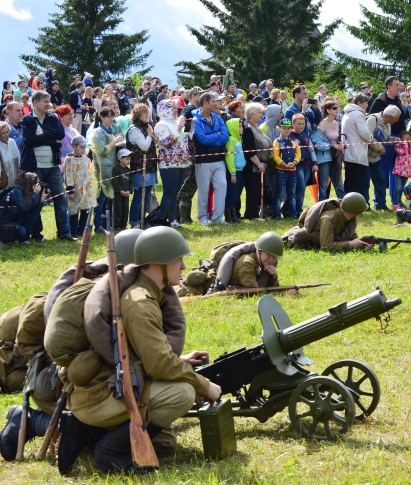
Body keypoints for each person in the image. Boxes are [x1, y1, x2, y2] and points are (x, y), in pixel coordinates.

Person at [57, 226, 221, 474]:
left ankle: (86, 433)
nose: (184, 267)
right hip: (99, 398)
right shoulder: (140, 302)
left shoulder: (146, 294)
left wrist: (181, 360)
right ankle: (110, 450)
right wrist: (203, 384)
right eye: (179, 260)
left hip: (99, 391)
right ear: (158, 264)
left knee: (165, 441)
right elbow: (159, 365)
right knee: (183, 393)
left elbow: (142, 354)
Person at [19, 90, 75, 241]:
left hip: (53, 166)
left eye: (49, 101)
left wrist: (43, 135)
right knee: (36, 200)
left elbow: (60, 134)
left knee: (61, 199)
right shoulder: (27, 120)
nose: (48, 104)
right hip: (35, 167)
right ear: (35, 103)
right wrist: (51, 138)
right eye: (45, 101)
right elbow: (30, 140)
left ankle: (64, 232)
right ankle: (36, 234)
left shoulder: (53, 117)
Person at [282, 192, 373, 251]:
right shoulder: (329, 219)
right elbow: (326, 246)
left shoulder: (349, 218)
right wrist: (351, 244)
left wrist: (362, 244)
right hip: (295, 240)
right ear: (354, 212)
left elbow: (350, 236)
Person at [193, 92, 230, 225]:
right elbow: (202, 139)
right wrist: (216, 135)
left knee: (222, 186)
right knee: (203, 189)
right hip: (203, 161)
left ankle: (217, 218)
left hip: (219, 159)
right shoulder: (196, 119)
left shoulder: (217, 117)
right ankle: (203, 217)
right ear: (205, 103)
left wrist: (212, 138)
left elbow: (225, 136)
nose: (216, 103)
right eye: (213, 101)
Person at [155, 99, 192, 226]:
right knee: (169, 192)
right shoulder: (161, 125)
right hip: (169, 164)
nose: (176, 110)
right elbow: (166, 142)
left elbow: (184, 139)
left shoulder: (176, 123)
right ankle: (163, 220)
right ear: (165, 110)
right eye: (173, 108)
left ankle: (172, 219)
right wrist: (178, 129)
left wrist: (189, 129)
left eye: (176, 108)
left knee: (175, 192)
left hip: (182, 163)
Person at [209, 232, 285, 292]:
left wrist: (274, 276)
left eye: (274, 256)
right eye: (268, 254)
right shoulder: (247, 263)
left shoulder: (265, 263)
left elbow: (269, 288)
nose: (271, 259)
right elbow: (254, 291)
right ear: (259, 251)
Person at [89, 107, 124, 232]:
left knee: (107, 198)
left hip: (111, 168)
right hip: (102, 169)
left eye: (112, 116)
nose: (111, 119)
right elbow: (103, 150)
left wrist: (118, 143)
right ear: (102, 117)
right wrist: (115, 140)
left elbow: (110, 147)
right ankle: (97, 225)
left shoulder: (110, 130)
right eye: (109, 116)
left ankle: (104, 224)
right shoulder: (98, 132)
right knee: (101, 197)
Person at [126, 103, 158, 229]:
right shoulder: (134, 129)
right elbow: (144, 146)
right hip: (139, 168)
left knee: (147, 196)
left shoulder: (146, 127)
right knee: (139, 197)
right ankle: (135, 222)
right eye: (143, 112)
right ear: (137, 115)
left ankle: (142, 220)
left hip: (149, 167)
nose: (147, 114)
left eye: (147, 112)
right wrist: (150, 135)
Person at [0, 172, 49, 247]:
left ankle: (24, 240)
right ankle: (3, 239)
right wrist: (35, 194)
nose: (38, 186)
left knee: (33, 214)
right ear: (31, 183)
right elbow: (25, 206)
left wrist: (42, 199)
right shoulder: (17, 191)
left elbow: (35, 212)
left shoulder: (28, 193)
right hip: (5, 222)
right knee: (22, 231)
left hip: (15, 220)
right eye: (37, 183)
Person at [365, 105, 400, 210]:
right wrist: (379, 148)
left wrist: (393, 139)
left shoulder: (388, 124)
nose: (397, 121)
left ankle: (381, 205)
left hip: (376, 158)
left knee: (381, 180)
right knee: (365, 183)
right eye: (396, 118)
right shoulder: (372, 119)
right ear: (390, 117)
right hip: (365, 157)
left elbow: (385, 138)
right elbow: (368, 137)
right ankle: (365, 206)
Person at [342, 94, 373, 205]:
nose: (367, 105)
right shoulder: (358, 114)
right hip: (357, 153)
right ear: (359, 103)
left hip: (349, 151)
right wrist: (371, 137)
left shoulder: (348, 113)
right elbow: (364, 132)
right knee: (358, 181)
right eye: (366, 103)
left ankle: (350, 203)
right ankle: (354, 204)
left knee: (350, 180)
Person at [64, 135, 97, 237]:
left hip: (86, 189)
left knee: (86, 209)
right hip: (75, 189)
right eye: (81, 147)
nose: (83, 150)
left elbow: (90, 173)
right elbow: (68, 174)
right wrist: (70, 190)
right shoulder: (70, 160)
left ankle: (82, 230)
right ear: (74, 146)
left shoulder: (86, 160)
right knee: (73, 210)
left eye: (84, 148)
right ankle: (73, 231)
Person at [240, 102, 269, 219]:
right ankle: (251, 214)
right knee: (253, 190)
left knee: (258, 190)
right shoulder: (247, 128)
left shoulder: (256, 126)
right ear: (252, 114)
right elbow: (249, 149)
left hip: (262, 163)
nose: (262, 115)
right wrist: (258, 164)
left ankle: (255, 212)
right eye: (260, 113)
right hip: (253, 165)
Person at [317, 101, 345, 201]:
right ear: (328, 110)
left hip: (335, 157)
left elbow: (336, 139)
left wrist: (340, 144)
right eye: (334, 108)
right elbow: (318, 142)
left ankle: (344, 208)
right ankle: (321, 208)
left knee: (339, 184)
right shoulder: (322, 124)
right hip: (324, 158)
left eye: (338, 108)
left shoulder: (337, 124)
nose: (337, 109)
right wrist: (333, 146)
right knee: (323, 186)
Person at [272, 118, 300, 219]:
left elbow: (298, 154)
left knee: (291, 194)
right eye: (284, 128)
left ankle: (292, 214)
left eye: (288, 128)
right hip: (281, 171)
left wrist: (295, 162)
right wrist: (284, 164)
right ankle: (276, 215)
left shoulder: (293, 141)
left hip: (293, 171)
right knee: (279, 194)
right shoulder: (277, 141)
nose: (286, 130)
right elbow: (275, 155)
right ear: (279, 129)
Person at [290, 113, 318, 217]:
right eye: (299, 124)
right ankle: (288, 207)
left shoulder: (306, 136)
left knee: (303, 189)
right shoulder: (290, 136)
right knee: (300, 187)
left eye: (303, 123)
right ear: (293, 123)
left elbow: (311, 150)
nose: (301, 126)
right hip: (298, 166)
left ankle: (298, 210)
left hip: (307, 165)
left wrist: (315, 163)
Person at [223, 101, 245, 223]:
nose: (241, 128)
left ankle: (234, 214)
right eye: (239, 126)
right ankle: (229, 215)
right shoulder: (232, 140)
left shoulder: (238, 139)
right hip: (234, 171)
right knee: (231, 194)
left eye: (241, 126)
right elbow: (230, 158)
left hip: (240, 169)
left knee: (236, 194)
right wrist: (232, 173)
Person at [392, 131, 411, 210]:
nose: (407, 141)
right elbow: (401, 152)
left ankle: (399, 202)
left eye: (409, 139)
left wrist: (410, 146)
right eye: (405, 139)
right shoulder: (398, 146)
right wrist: (404, 145)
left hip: (407, 171)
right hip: (399, 170)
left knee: (402, 187)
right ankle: (395, 203)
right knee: (398, 187)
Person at [111, 148, 132, 230]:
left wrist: (129, 191)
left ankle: (123, 225)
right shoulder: (116, 169)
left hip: (126, 194)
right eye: (127, 159)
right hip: (118, 194)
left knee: (125, 209)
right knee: (118, 209)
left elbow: (131, 181)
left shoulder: (128, 170)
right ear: (120, 159)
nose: (129, 160)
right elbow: (115, 180)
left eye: (129, 159)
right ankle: (117, 225)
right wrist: (120, 190)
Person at [0, 122, 20, 188]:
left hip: (15, 183)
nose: (6, 135)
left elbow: (19, 159)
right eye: (3, 133)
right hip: (3, 185)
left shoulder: (12, 142)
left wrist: (20, 172)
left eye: (7, 132)